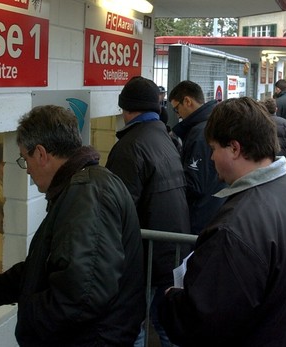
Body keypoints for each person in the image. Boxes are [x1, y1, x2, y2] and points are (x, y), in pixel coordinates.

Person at [0, 105, 145, 346]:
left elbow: (81, 298)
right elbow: (39, 269)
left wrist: (29, 318)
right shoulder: (80, 189)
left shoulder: (88, 197)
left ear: (41, 154)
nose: (27, 169)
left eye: (24, 159)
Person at [159, 97, 286, 346]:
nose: (211, 158)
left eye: (214, 148)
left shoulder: (237, 225)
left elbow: (202, 321)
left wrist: (171, 300)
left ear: (234, 148)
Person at [105, 76, 190, 347]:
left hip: (144, 259)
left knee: (132, 325)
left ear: (127, 109)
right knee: (164, 322)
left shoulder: (128, 148)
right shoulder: (165, 137)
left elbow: (118, 208)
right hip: (171, 251)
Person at [168, 80, 227, 235]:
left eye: (176, 109)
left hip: (202, 215)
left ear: (187, 101)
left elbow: (195, 183)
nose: (178, 115)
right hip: (215, 208)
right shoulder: (213, 122)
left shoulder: (200, 133)